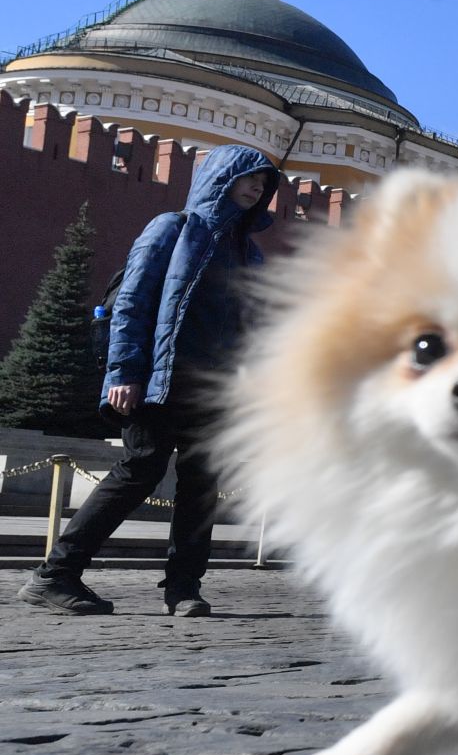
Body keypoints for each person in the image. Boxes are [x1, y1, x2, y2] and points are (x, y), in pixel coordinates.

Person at [17, 146, 280, 616]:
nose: (259, 186)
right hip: (160, 379)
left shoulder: (249, 253)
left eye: (264, 182)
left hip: (213, 387)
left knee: (201, 484)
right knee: (140, 470)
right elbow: (132, 305)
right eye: (250, 177)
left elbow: (250, 328)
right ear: (221, 177)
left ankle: (184, 590)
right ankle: (54, 576)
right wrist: (124, 373)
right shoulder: (172, 229)